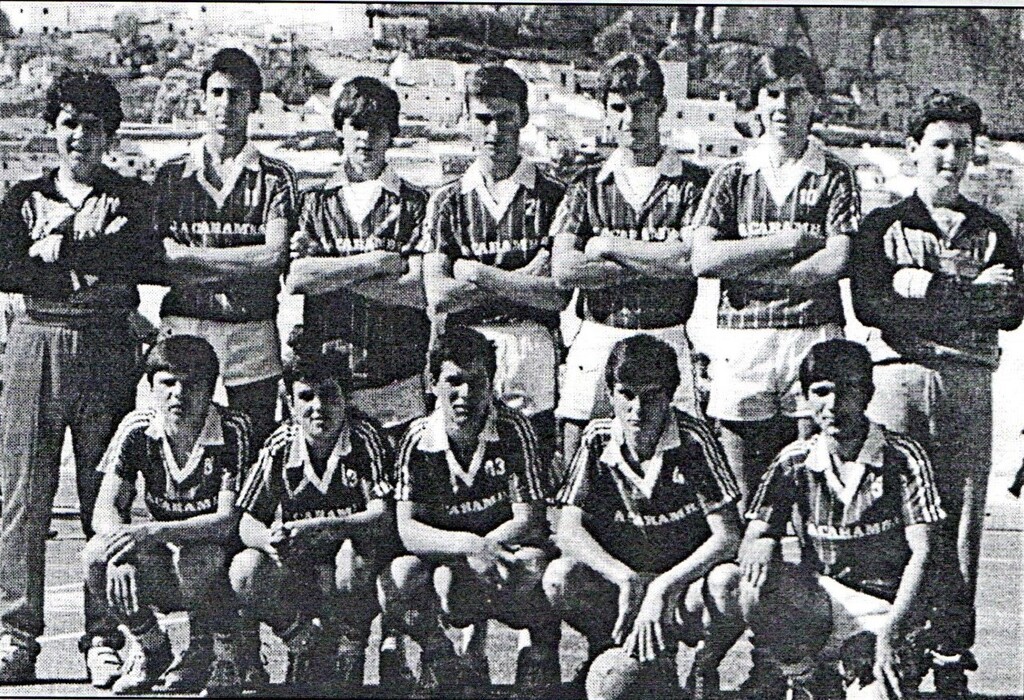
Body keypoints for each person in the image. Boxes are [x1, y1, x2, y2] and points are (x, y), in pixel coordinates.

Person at [850, 91, 1024, 696]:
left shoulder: (992, 228)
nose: (951, 159)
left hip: (969, 381)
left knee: (960, 522)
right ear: (913, 151)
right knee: (894, 515)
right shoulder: (882, 225)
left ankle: (950, 652)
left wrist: (924, 289)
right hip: (898, 377)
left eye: (963, 148)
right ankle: (889, 644)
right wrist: (969, 291)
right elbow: (874, 305)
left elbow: (1012, 311)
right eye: (940, 145)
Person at [0, 70, 159, 685]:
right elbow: (8, 269)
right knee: (24, 497)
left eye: (93, 127)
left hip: (104, 344)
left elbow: (138, 259)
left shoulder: (129, 196)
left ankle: (102, 635)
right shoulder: (21, 198)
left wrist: (53, 253)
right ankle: (17, 632)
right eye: (69, 124)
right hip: (35, 342)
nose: (80, 138)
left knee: (103, 497)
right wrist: (79, 254)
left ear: (109, 135)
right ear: (52, 129)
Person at [689, 45, 860, 505]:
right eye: (773, 93)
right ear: (757, 102)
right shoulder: (731, 176)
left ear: (814, 102)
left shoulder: (837, 175)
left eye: (797, 94)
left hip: (812, 336)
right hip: (743, 341)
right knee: (742, 493)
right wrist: (785, 245)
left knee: (812, 487)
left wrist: (746, 267)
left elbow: (834, 263)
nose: (784, 106)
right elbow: (703, 261)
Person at [735, 339, 944, 699]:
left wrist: (891, 631)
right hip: (823, 603)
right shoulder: (794, 460)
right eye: (821, 391)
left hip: (888, 610)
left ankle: (869, 672)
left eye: (848, 389)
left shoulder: (902, 456)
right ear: (805, 397)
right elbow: (757, 531)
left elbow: (924, 553)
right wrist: (761, 542)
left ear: (868, 392)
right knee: (752, 580)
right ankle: (802, 675)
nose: (833, 405)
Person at [544, 335, 743, 699]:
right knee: (560, 576)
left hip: (681, 585)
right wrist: (624, 578)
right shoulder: (597, 438)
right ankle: (606, 650)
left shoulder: (693, 440)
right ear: (611, 393)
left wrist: (663, 586)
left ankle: (705, 665)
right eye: (626, 394)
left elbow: (728, 535)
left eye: (651, 395)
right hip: (625, 584)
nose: (637, 408)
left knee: (729, 582)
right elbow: (567, 528)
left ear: (671, 394)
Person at [551, 52, 710, 484]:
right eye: (618, 107)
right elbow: (565, 269)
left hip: (667, 333)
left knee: (677, 455)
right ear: (606, 111)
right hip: (599, 332)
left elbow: (687, 260)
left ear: (661, 106)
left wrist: (608, 246)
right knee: (577, 450)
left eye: (640, 106)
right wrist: (650, 261)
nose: (629, 119)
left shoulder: (695, 184)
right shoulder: (586, 184)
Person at [379, 326, 560, 697]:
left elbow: (529, 517)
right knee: (401, 574)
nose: (464, 394)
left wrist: (486, 546)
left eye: (476, 382)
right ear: (432, 383)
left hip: (503, 549)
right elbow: (407, 528)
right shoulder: (417, 439)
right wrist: (467, 545)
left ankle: (536, 649)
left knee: (539, 569)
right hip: (450, 552)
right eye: (453, 381)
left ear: (491, 383)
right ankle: (438, 650)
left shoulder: (514, 428)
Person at [81, 335, 257, 695]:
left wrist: (151, 533)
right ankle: (151, 649)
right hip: (167, 558)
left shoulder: (232, 430)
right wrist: (121, 551)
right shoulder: (136, 428)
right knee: (96, 555)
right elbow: (105, 508)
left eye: (192, 384)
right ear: (150, 386)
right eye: (168, 382)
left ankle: (215, 648)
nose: (179, 393)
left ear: (211, 389)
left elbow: (226, 521)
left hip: (219, 562)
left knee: (200, 555)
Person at [420, 65, 567, 488]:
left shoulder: (553, 194)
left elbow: (556, 295)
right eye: (483, 118)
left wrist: (476, 272)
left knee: (531, 471)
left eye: (505, 117)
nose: (495, 131)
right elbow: (439, 296)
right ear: (468, 119)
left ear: (523, 117)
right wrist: (521, 280)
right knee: (471, 473)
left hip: (533, 346)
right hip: (466, 348)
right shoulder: (446, 201)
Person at [230, 337, 395, 696]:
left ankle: (350, 647)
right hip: (302, 567)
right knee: (245, 568)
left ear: (347, 399)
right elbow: (247, 522)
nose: (319, 407)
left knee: (351, 558)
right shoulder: (279, 446)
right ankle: (302, 640)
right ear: (289, 402)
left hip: (354, 566)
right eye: (306, 397)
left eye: (330, 395)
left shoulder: (366, 439)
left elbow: (382, 516)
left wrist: (322, 527)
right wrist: (268, 540)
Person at [151, 47, 298, 450]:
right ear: (202, 100)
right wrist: (240, 261)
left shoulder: (276, 177)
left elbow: (273, 259)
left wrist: (192, 257)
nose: (226, 105)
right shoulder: (170, 176)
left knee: (254, 449)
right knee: (181, 447)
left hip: (251, 329)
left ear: (253, 103)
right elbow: (163, 262)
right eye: (216, 93)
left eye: (237, 95)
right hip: (186, 325)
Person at [288, 76, 429, 450]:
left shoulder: (416, 204)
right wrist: (380, 261)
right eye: (357, 126)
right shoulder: (313, 201)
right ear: (340, 130)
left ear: (392, 133)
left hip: (397, 381)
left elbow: (417, 291)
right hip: (328, 387)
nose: (366, 138)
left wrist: (329, 269)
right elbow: (299, 278)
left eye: (377, 127)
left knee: (400, 494)